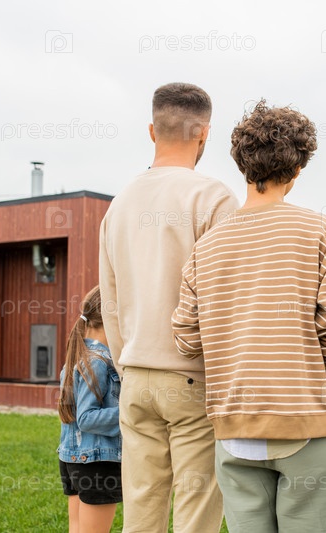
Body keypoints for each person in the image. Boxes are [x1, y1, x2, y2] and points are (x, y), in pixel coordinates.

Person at [172, 100, 326, 533]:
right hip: (307, 427)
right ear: (297, 170)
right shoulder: (319, 232)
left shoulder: (206, 247)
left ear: (242, 166)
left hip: (233, 431)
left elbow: (186, 337)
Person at [99, 82, 239, 533]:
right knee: (196, 512)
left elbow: (110, 302)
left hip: (135, 376)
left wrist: (127, 364)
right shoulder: (214, 198)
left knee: (141, 510)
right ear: (204, 133)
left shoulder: (119, 204)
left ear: (151, 130)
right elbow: (226, 303)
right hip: (193, 377)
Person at [57, 286, 122, 533]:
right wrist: (131, 412)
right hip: (97, 463)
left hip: (73, 459)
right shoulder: (98, 361)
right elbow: (86, 418)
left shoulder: (77, 356)